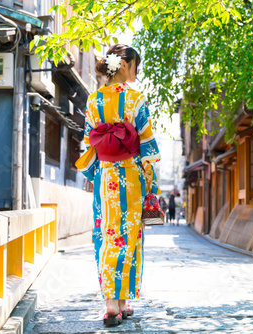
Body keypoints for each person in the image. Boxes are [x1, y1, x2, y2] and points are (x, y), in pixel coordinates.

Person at [75, 44, 160, 327]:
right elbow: (147, 148)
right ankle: (118, 302)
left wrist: (96, 175)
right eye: (136, 65)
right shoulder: (136, 100)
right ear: (123, 65)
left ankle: (116, 303)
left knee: (107, 236)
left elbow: (89, 145)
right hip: (131, 176)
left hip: (105, 177)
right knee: (130, 237)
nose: (138, 71)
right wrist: (151, 186)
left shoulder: (92, 100)